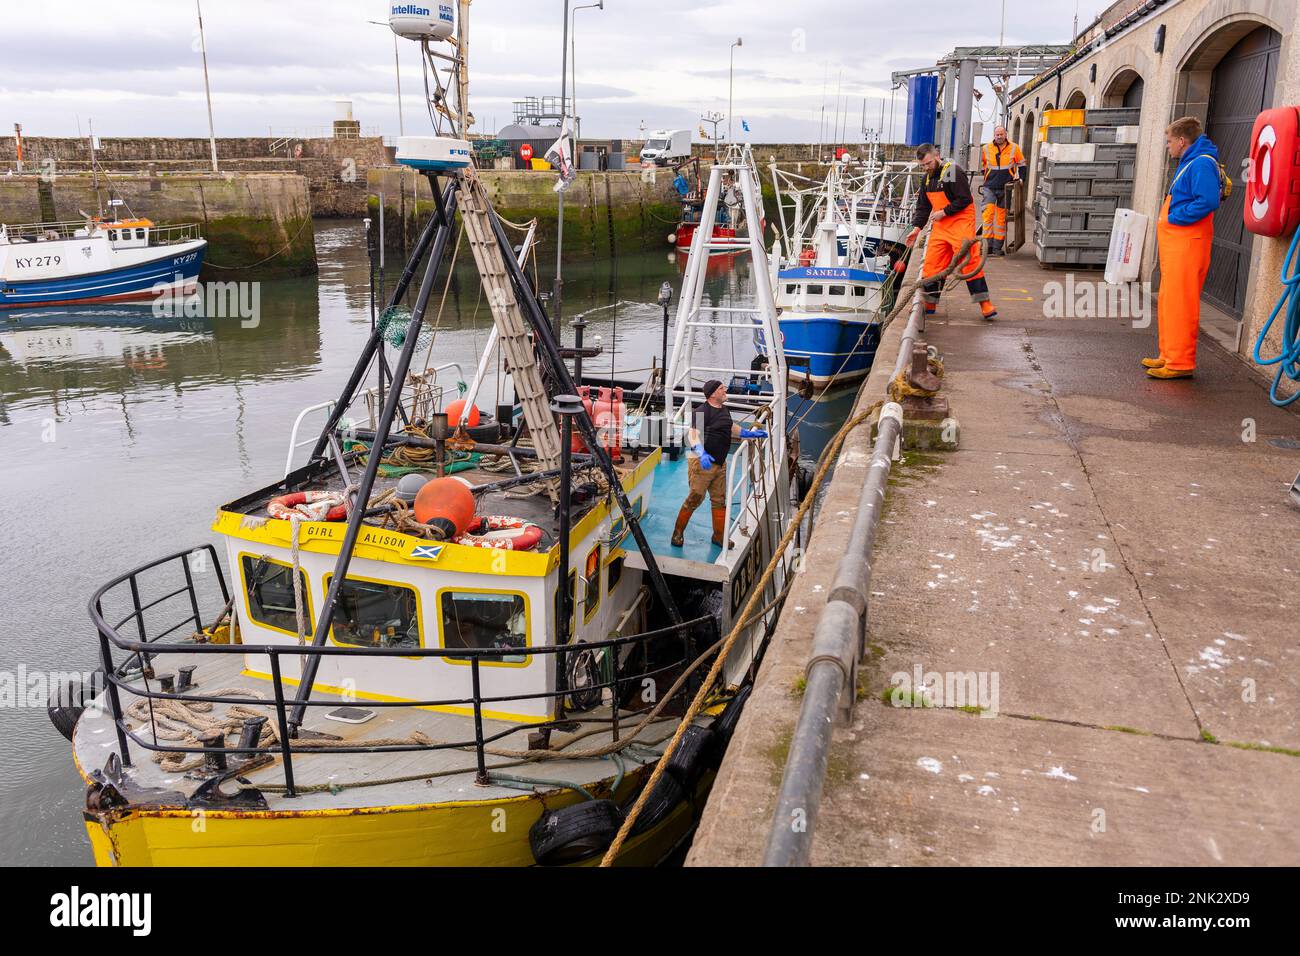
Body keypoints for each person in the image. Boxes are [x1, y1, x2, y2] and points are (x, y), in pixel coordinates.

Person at [1145, 116, 1223, 380]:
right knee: (1169, 300)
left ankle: (1180, 362)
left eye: (1169, 142)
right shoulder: (1191, 162)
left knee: (1181, 303)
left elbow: (1208, 201)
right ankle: (1168, 354)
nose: (1168, 147)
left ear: (1181, 141)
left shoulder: (1201, 164)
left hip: (1188, 243)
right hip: (1178, 245)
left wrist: (1175, 218)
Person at [906, 143, 998, 320]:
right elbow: (923, 208)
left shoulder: (953, 171)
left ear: (937, 156)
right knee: (932, 263)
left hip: (960, 222)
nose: (926, 168)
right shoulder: (927, 179)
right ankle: (929, 302)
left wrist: (944, 212)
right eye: (923, 165)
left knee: (969, 261)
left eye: (928, 163)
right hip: (941, 226)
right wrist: (916, 228)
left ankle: (985, 303)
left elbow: (965, 199)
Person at [671, 379, 767, 549]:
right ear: (714, 393)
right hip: (702, 464)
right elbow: (692, 435)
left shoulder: (724, 410)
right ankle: (677, 533)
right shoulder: (702, 412)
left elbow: (730, 426)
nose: (725, 390)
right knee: (695, 498)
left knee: (719, 500)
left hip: (720, 464)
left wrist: (747, 433)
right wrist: (701, 453)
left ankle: (718, 536)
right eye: (722, 388)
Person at [979, 125, 1026, 256]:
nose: (999, 137)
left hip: (1006, 187)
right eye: (997, 134)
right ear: (994, 136)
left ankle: (997, 248)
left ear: (1006, 134)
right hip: (990, 187)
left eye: (1001, 134)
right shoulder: (986, 148)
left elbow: (1022, 164)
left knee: (1001, 218)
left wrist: (1022, 178)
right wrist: (987, 176)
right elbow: (983, 165)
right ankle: (987, 246)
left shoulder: (1014, 148)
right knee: (987, 215)